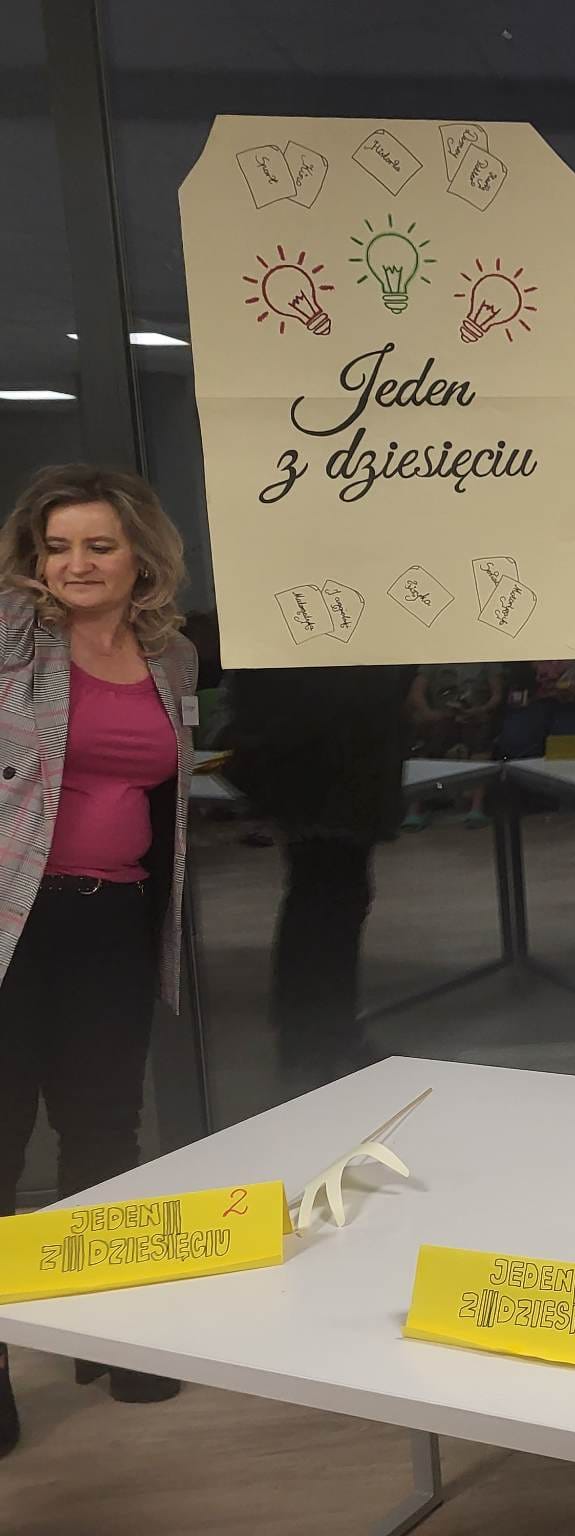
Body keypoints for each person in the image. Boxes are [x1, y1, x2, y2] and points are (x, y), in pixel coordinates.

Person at [0, 465, 198, 1446]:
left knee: (106, 1130)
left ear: (139, 558)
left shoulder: (172, 658)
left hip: (115, 920)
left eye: (98, 545)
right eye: (57, 547)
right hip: (13, 924)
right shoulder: (12, 638)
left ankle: (105, 1326)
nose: (75, 564)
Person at [225, 665, 415, 1091]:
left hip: (346, 766)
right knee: (318, 905)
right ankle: (308, 1040)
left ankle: (332, 1031)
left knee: (341, 900)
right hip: (311, 764)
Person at [401, 661, 502, 830]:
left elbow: (497, 695)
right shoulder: (433, 660)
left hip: (475, 715)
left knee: (481, 733)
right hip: (441, 716)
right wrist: (429, 714)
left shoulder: (487, 660)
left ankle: (476, 808)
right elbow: (416, 693)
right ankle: (415, 810)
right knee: (427, 736)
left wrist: (482, 709)